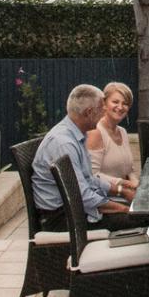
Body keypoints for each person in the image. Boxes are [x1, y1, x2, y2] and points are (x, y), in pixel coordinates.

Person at [32, 83, 133, 223]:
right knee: (146, 218)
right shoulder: (65, 143)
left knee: (142, 213)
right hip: (64, 218)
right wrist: (124, 210)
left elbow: (89, 179)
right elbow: (82, 196)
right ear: (89, 112)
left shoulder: (77, 135)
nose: (104, 113)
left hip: (75, 208)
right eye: (101, 109)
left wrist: (122, 191)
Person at [89, 81, 141, 185]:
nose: (120, 107)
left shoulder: (123, 132)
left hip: (125, 193)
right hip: (105, 196)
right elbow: (92, 175)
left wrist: (137, 186)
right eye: (115, 102)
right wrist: (124, 184)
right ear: (104, 103)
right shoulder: (96, 132)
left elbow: (129, 171)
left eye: (125, 103)